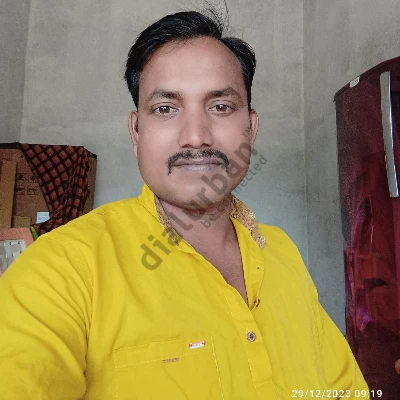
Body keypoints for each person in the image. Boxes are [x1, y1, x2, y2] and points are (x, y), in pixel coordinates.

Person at [0, 9, 369, 400]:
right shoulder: (62, 269)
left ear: (251, 128)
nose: (196, 136)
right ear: (136, 132)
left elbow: (343, 389)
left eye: (220, 106)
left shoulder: (281, 251)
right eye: (165, 109)